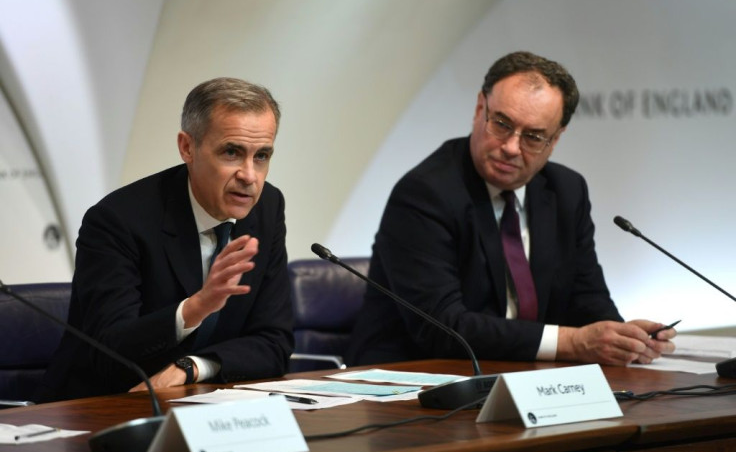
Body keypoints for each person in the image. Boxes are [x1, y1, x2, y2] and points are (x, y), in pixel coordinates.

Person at [346, 51, 676, 367]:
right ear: (479, 109)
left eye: (533, 136)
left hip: (525, 376)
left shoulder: (566, 191)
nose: (510, 147)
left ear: (556, 139)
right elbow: (444, 328)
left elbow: (586, 298)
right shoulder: (425, 194)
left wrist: (622, 339)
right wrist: (573, 343)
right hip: (414, 385)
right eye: (502, 124)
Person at [36, 78, 293, 401]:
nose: (249, 175)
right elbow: (110, 351)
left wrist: (193, 367)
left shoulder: (267, 208)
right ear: (187, 147)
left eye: (262, 156)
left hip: (205, 404)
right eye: (232, 152)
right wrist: (195, 308)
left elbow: (275, 341)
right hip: (97, 408)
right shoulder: (119, 220)